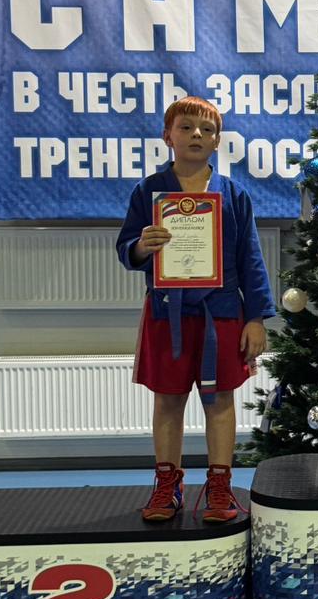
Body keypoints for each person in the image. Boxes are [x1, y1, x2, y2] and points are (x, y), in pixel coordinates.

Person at [117, 96, 275, 523]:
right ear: (167, 136)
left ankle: (219, 486)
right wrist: (141, 246)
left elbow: (251, 259)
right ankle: (167, 485)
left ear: (217, 141)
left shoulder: (234, 194)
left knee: (220, 400)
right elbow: (126, 247)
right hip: (166, 313)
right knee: (168, 401)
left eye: (206, 130)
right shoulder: (148, 191)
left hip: (220, 314)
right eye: (186, 127)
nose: (196, 135)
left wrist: (256, 318)